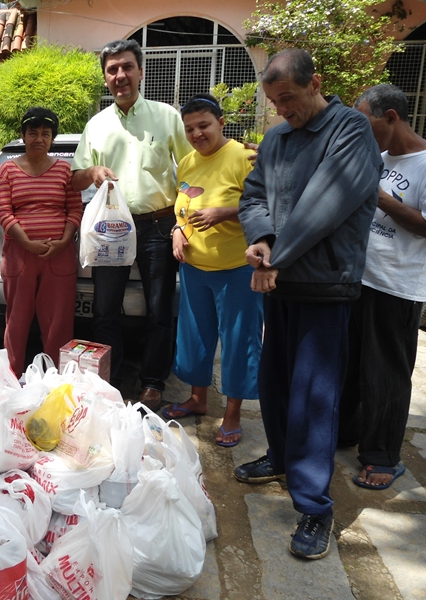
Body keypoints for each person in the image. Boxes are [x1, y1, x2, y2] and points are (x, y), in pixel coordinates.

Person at [236, 49, 381, 560]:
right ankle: (279, 456)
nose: (281, 111)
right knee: (274, 384)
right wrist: (262, 241)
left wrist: (276, 259)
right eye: (274, 102)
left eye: (289, 99)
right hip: (278, 285)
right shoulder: (276, 139)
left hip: (323, 286)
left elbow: (326, 205)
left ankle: (315, 505)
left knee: (314, 400)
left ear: (315, 82)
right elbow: (252, 196)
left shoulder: (350, 131)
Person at [71, 39, 193, 407]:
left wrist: (183, 223)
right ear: (105, 77)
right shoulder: (96, 125)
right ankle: (110, 381)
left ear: (140, 71)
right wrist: (91, 171)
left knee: (159, 310)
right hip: (111, 231)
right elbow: (75, 177)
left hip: (158, 227)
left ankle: (153, 382)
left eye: (126, 67)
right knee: (105, 311)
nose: (120, 75)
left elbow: (190, 171)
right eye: (112, 70)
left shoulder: (166, 116)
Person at [338, 84, 426, 489]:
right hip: (361, 276)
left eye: (367, 120)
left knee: (387, 373)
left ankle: (383, 457)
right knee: (351, 365)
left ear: (391, 117)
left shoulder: (424, 162)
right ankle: (349, 431)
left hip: (398, 284)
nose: (362, 129)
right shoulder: (381, 157)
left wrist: (380, 198)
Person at [162, 94, 262, 448]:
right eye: (189, 128)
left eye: (203, 125)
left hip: (236, 269)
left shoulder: (243, 157)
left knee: (238, 342)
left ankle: (232, 412)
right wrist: (177, 230)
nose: (197, 134)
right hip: (195, 268)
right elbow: (183, 206)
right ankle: (198, 398)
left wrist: (224, 212)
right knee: (194, 338)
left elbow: (265, 202)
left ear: (221, 123)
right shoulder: (187, 162)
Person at [0, 107, 83, 375]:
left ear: (52, 139)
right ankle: (12, 378)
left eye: (46, 134)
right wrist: (28, 243)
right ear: (23, 135)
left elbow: (74, 209)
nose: (39, 139)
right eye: (33, 133)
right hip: (19, 255)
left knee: (58, 323)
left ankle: (56, 382)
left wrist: (64, 240)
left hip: (60, 254)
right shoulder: (7, 170)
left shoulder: (65, 171)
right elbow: (4, 211)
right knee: (17, 321)